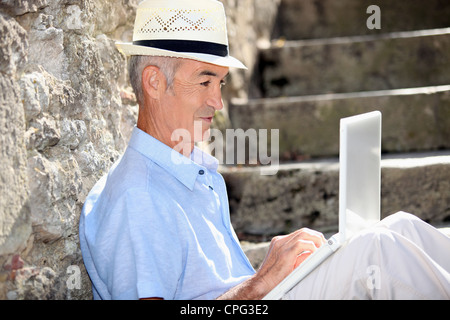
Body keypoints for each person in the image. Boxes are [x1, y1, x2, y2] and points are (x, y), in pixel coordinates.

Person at [79, 0, 450, 300]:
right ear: (155, 82)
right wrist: (260, 283)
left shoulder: (190, 167)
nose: (218, 102)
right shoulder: (136, 195)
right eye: (205, 80)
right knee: (378, 251)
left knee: (400, 226)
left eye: (221, 82)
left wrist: (271, 276)